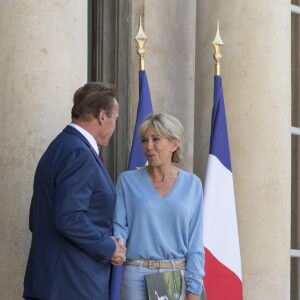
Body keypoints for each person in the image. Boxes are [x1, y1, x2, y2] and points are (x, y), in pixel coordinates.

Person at [23, 82, 126, 300]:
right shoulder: (79, 153)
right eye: (115, 118)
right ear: (101, 116)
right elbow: (70, 218)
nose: (115, 125)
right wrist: (109, 246)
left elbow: (37, 219)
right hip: (73, 285)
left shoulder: (60, 146)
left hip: (53, 283)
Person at [113, 113, 204, 300]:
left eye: (156, 139)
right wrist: (117, 248)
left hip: (176, 276)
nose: (149, 146)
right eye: (144, 140)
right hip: (135, 276)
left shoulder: (192, 184)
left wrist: (194, 290)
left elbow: (195, 242)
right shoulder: (126, 181)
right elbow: (119, 227)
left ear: (174, 143)